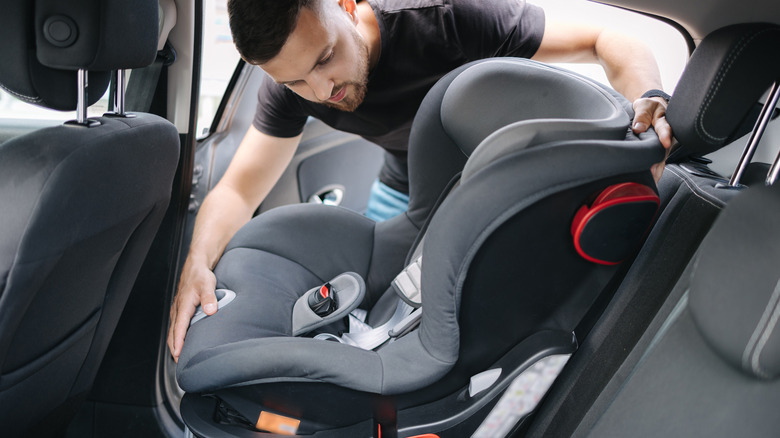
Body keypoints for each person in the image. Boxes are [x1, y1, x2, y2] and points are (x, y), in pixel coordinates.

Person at [168, 0, 673, 362]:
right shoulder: (292, 90)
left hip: (491, 185)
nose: (322, 90)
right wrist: (196, 264)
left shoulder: (446, 19)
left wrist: (647, 99)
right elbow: (237, 190)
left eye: (324, 58)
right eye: (295, 80)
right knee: (381, 314)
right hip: (404, 185)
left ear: (345, 7)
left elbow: (607, 39)